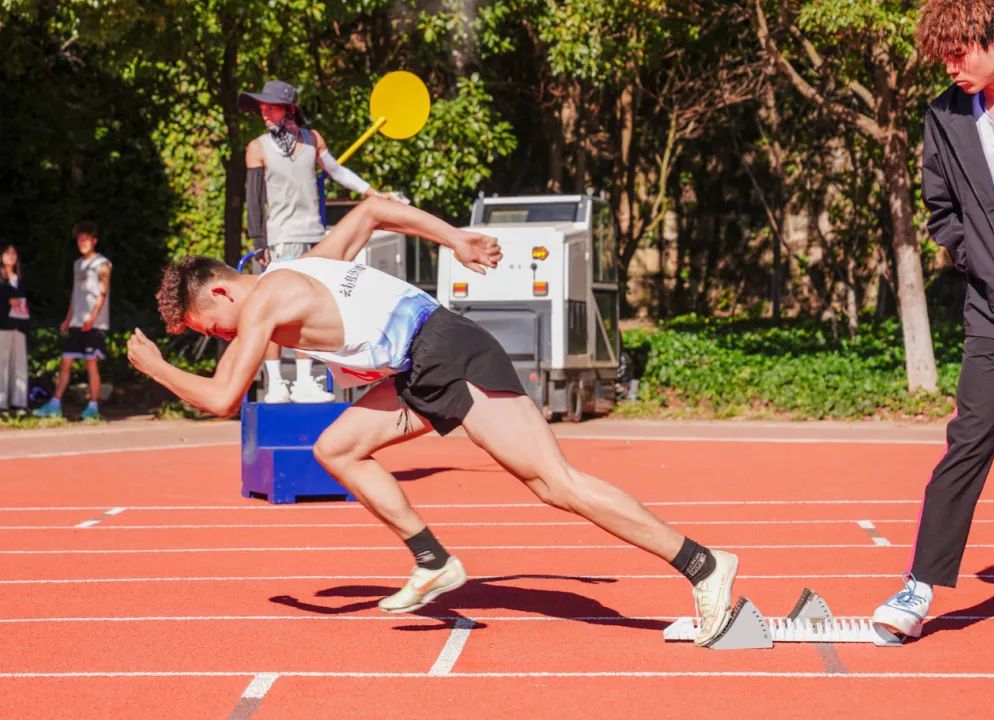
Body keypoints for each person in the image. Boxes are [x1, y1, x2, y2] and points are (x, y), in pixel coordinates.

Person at [127, 196, 740, 647]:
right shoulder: (305, 264)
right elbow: (369, 211)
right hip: (417, 370)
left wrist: (154, 368)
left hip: (447, 352)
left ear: (222, 296)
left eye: (212, 329)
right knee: (337, 447)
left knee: (556, 484)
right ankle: (432, 560)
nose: (224, 338)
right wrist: (454, 239)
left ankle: (702, 564)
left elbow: (223, 397)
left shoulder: (261, 302)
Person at [872, 0, 994, 639]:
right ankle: (918, 588)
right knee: (965, 448)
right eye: (943, 57)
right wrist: (975, 256)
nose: (951, 67)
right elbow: (940, 209)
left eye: (960, 54)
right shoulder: (945, 116)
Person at [240, 79, 405, 403]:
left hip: (314, 235)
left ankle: (304, 379)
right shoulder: (257, 147)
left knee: (309, 307)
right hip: (280, 239)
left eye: (270, 107)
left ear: (288, 109)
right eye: (261, 107)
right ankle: (275, 382)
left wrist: (372, 193)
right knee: (273, 308)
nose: (264, 113)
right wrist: (259, 241)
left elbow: (337, 170)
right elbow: (254, 199)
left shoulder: (311, 139)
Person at [34, 222, 112, 420]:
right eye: (79, 240)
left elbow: (103, 293)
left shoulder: (102, 264)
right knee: (65, 362)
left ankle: (93, 407)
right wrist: (68, 319)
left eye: (86, 239)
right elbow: (75, 295)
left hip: (93, 324)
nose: (82, 243)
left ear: (94, 241)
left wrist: (92, 317)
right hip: (76, 323)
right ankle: (54, 405)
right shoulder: (78, 264)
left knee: (91, 364)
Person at [0, 244, 30, 413]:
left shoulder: (20, 276)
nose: (11, 255)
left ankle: (18, 402)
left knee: (19, 364)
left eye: (14, 252)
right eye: (7, 252)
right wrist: (7, 301)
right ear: (1, 256)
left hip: (19, 326)